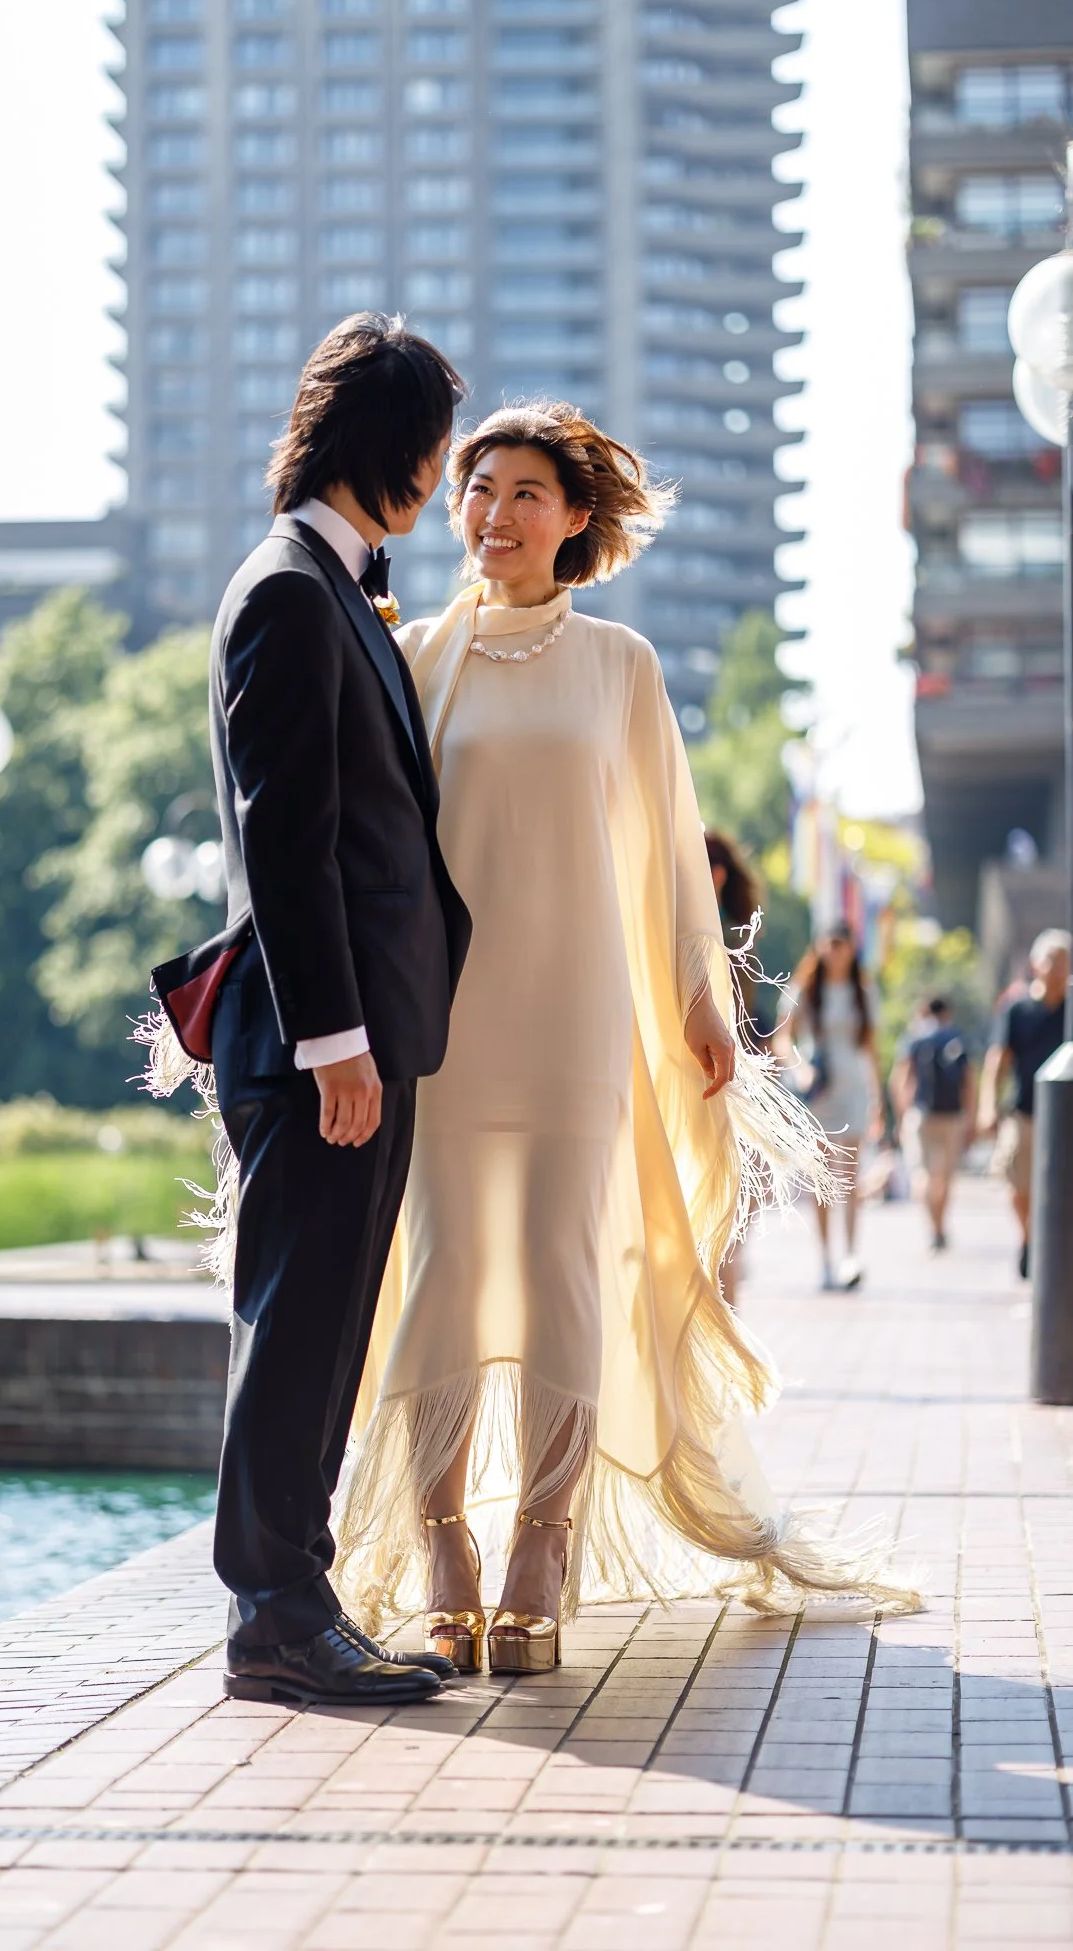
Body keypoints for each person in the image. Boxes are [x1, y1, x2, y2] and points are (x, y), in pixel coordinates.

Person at [331, 401, 915, 1676]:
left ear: (575, 516)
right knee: (433, 1280)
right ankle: (444, 1552)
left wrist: (703, 1005)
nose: (492, 510)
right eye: (477, 486)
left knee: (559, 1273)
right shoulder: (411, 653)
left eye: (524, 490)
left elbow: (667, 859)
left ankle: (542, 1543)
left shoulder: (622, 667)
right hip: (443, 1027)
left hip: (578, 1019)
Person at [192, 315, 473, 1706]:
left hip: (360, 1032)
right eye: (432, 452)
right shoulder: (291, 593)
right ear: (397, 456)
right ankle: (273, 1618)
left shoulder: (327, 585)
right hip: (325, 1046)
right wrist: (335, 1044)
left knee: (329, 1324)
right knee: (300, 1321)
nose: (438, 478)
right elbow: (285, 833)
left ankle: (298, 1599)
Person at [788, 924, 882, 1292]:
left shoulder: (863, 990)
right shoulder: (806, 989)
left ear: (851, 948)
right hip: (819, 1092)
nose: (834, 951)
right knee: (822, 1179)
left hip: (854, 1089)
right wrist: (801, 1068)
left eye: (841, 944)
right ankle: (825, 1259)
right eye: (828, 945)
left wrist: (878, 1099)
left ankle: (851, 1255)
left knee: (851, 1177)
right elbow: (784, 1036)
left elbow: (871, 1048)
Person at [977, 928, 1071, 1278]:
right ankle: (1031, 1237)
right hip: (1026, 1110)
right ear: (1036, 964)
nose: (1058, 968)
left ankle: (1051, 1245)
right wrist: (988, 1105)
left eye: (1064, 961)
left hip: (1066, 1116)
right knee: (1018, 1182)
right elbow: (998, 1058)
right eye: (1052, 960)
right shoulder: (1017, 1008)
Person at [705, 831, 766, 1306]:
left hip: (717, 1077)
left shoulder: (719, 935)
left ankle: (723, 1314)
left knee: (721, 1206)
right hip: (728, 1076)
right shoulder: (734, 932)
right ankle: (726, 1311)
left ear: (716, 875)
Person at [889, 995, 974, 1253]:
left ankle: (933, 1228)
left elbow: (900, 1078)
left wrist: (901, 1114)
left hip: (921, 1114)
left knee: (923, 1174)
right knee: (946, 1176)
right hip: (952, 1116)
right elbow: (969, 1081)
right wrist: (971, 1117)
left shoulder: (915, 1039)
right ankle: (940, 1226)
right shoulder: (957, 1037)